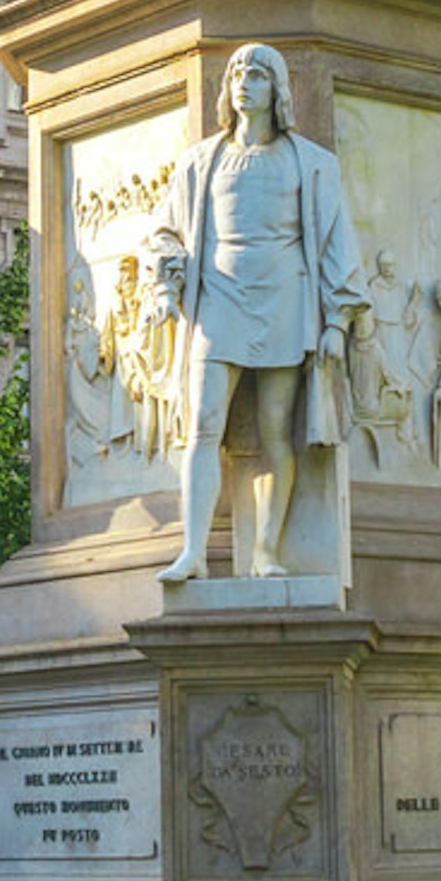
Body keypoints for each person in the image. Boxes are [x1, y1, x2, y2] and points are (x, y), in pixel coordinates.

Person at [143, 43, 370, 582]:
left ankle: (266, 551)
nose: (244, 82)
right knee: (202, 424)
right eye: (237, 74)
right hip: (217, 298)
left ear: (278, 90)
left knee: (276, 431)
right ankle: (193, 551)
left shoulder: (312, 163)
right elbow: (165, 230)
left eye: (258, 76)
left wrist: (336, 321)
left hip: (285, 300)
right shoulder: (200, 161)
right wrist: (164, 284)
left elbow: (338, 241)